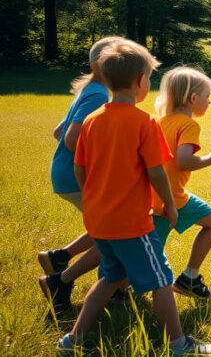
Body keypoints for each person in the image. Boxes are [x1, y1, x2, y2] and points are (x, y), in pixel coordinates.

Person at [57, 39, 211, 355]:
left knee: (110, 277)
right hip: (131, 222)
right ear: (141, 82)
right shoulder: (143, 122)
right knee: (161, 279)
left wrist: (93, 197)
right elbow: (158, 173)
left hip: (99, 218)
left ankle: (71, 341)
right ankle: (179, 344)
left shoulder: (92, 120)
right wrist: (170, 205)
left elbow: (80, 168)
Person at [39, 36, 121, 313]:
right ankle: (61, 280)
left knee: (107, 230)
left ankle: (59, 258)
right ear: (100, 65)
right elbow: (73, 138)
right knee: (117, 236)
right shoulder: (98, 94)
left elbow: (57, 132)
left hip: (65, 175)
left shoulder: (89, 90)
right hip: (77, 178)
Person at [152, 66, 211, 299]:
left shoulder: (160, 121)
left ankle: (190, 278)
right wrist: (210, 159)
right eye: (208, 97)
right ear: (193, 98)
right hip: (170, 200)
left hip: (158, 195)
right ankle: (188, 278)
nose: (209, 102)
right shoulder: (189, 125)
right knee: (149, 259)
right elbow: (184, 161)